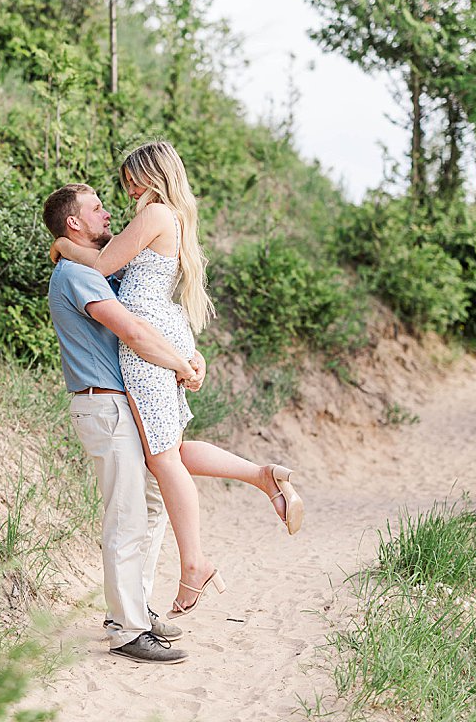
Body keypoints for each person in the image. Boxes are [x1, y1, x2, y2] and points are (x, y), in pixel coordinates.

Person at [51, 141, 304, 620]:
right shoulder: (175, 217)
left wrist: (65, 246)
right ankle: (260, 475)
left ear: (149, 176)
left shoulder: (153, 215)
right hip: (165, 331)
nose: (125, 193)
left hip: (146, 341)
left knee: (164, 458)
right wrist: (184, 352)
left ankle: (195, 564)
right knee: (170, 449)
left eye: (129, 181)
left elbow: (102, 269)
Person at [43, 182, 204, 665]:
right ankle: (126, 629)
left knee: (149, 508)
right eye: (96, 208)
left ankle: (134, 609)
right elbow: (131, 330)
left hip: (122, 404)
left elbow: (149, 312)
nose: (108, 212)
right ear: (74, 222)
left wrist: (186, 355)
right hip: (105, 406)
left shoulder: (89, 268)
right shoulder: (77, 275)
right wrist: (180, 364)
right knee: (127, 516)